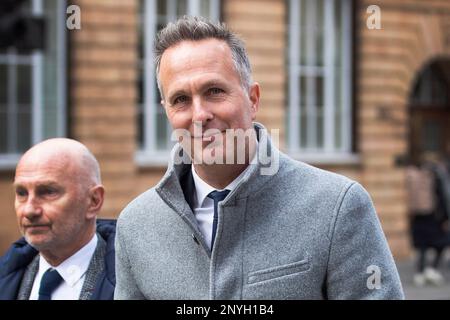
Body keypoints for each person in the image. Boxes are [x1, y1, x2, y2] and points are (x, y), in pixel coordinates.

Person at [115, 16, 404, 299]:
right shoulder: (135, 225)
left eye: (214, 91)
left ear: (253, 99)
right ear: (166, 110)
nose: (200, 115)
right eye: (181, 100)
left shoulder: (337, 207)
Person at [0, 138, 116, 300]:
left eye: (48, 192)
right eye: (21, 193)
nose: (29, 210)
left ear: (93, 201)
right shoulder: (7, 279)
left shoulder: (136, 284)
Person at [406, 153, 447, 287]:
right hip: (434, 216)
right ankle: (432, 269)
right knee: (442, 243)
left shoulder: (413, 174)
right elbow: (443, 196)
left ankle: (420, 273)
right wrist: (446, 217)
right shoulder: (436, 174)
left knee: (422, 246)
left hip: (417, 216)